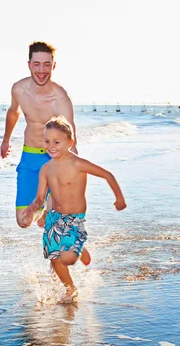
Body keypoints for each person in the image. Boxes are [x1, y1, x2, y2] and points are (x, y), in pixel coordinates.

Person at [22, 116, 126, 303]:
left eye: (56, 142)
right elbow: (41, 197)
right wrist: (34, 209)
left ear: (69, 142)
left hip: (74, 219)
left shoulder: (78, 164)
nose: (51, 146)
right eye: (47, 141)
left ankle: (79, 245)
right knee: (54, 258)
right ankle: (71, 290)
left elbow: (107, 175)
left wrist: (119, 198)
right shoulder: (46, 169)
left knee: (68, 259)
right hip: (54, 217)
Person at [0, 41, 78, 229]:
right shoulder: (18, 89)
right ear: (29, 65)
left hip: (54, 159)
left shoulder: (60, 98)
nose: (41, 70)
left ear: (53, 66)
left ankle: (50, 203)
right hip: (30, 156)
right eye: (37, 64)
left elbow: (71, 134)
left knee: (50, 221)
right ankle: (44, 207)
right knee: (24, 222)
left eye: (46, 64)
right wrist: (6, 139)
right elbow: (13, 112)